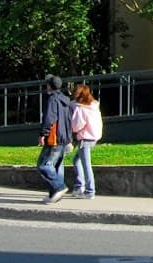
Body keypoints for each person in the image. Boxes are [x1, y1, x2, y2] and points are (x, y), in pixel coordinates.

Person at [36, 75, 74, 203]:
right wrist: (69, 139)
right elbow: (69, 121)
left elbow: (49, 118)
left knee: (43, 165)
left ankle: (59, 188)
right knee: (56, 166)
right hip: (64, 138)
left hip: (54, 138)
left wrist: (43, 134)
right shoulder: (66, 100)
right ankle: (54, 195)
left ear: (49, 86)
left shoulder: (52, 99)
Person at [69, 83, 103, 199]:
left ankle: (89, 191)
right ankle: (79, 186)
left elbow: (76, 126)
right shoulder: (94, 106)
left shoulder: (80, 109)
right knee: (76, 160)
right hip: (94, 137)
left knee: (86, 165)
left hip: (85, 138)